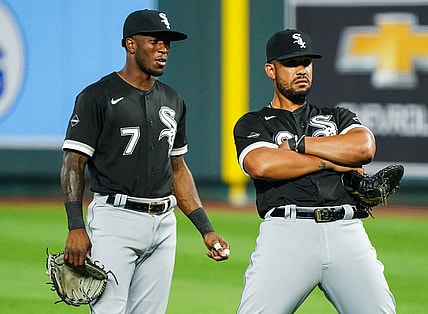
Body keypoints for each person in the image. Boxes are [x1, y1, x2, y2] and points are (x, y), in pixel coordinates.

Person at [60, 9, 230, 313]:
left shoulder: (173, 100)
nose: (164, 49)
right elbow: (74, 163)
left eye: (167, 43)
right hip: (116, 220)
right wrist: (75, 226)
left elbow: (177, 168)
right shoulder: (97, 96)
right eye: (155, 41)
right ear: (130, 44)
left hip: (164, 223)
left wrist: (206, 228)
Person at [233, 29, 395, 313]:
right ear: (271, 70)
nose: (301, 70)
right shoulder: (254, 123)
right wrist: (333, 160)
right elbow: (263, 165)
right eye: (292, 63)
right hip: (286, 234)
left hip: (347, 231)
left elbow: (364, 147)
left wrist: (299, 145)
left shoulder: (337, 116)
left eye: (306, 62)